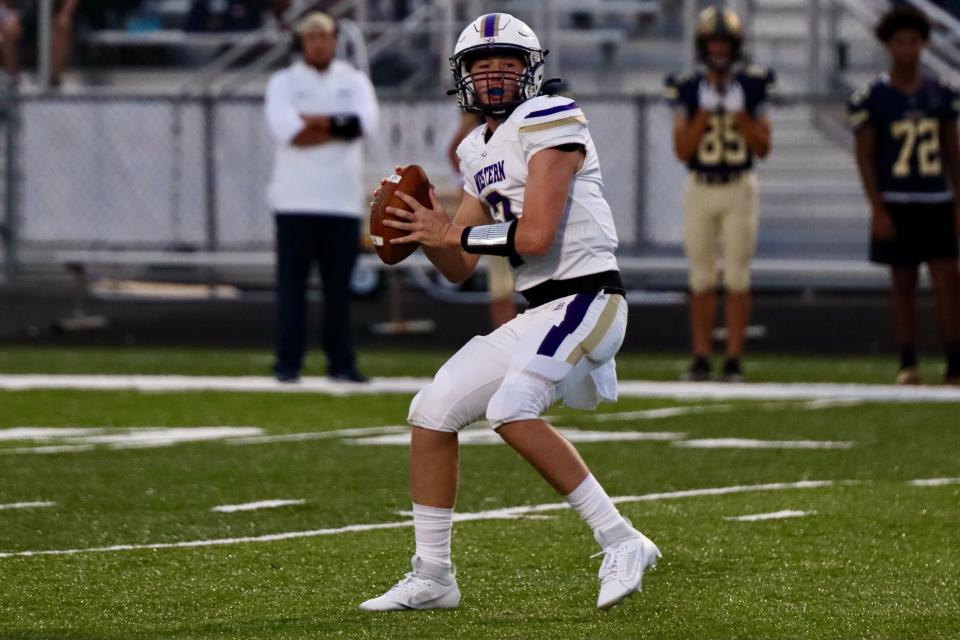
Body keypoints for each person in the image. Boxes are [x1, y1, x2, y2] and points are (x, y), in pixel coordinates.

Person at [358, 13, 659, 612]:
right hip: (540, 309)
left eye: (508, 62)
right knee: (432, 411)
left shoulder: (552, 117)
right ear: (463, 75)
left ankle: (622, 539)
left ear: (530, 70)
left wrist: (451, 233)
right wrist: (421, 229)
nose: (494, 73)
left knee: (510, 408)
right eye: (481, 63)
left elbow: (539, 235)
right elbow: (460, 264)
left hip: (589, 296)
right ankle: (434, 575)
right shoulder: (475, 147)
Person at [264, 10, 379, 383]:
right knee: (291, 290)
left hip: (340, 201)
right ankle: (287, 362)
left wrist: (312, 119)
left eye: (325, 36)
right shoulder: (283, 81)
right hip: (294, 200)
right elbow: (289, 132)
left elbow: (363, 125)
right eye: (312, 37)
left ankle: (341, 362)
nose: (319, 43)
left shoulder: (354, 80)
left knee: (338, 292)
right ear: (303, 42)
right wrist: (337, 126)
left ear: (334, 40)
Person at [849, 5, 960, 386]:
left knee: (948, 282)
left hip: (935, 198)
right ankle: (908, 361)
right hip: (897, 199)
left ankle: (954, 362)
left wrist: (959, 198)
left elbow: (952, 151)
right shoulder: (873, 96)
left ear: (924, 45)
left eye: (914, 42)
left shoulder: (941, 92)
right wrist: (876, 207)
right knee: (903, 284)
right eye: (900, 42)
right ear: (888, 45)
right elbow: (865, 155)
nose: (907, 49)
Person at [664, 6, 774, 382]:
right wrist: (706, 112)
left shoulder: (754, 84)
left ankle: (733, 359)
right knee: (701, 277)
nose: (719, 48)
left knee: (738, 277)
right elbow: (682, 149)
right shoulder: (688, 85)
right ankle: (700, 356)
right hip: (700, 184)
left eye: (725, 41)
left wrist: (739, 113)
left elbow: (763, 146)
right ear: (702, 44)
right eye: (713, 40)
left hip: (739, 186)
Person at [446, 110, 518, 328]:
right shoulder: (474, 143)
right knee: (501, 286)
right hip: (496, 211)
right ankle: (508, 342)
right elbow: (454, 150)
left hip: (517, 214)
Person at [0, 0, 78, 86]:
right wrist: (6, 13)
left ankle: (53, 79)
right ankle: (13, 77)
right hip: (23, 13)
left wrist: (65, 14)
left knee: (62, 27)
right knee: (8, 27)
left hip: (52, 14)